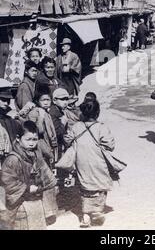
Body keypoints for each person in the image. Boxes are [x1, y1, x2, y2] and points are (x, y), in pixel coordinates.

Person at [0, 121, 57, 230]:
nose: (31, 143)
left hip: (36, 202)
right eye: (28, 139)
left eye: (34, 140)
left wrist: (50, 183)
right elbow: (7, 181)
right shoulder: (13, 159)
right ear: (18, 138)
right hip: (20, 205)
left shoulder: (36, 155)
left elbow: (45, 172)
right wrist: (26, 188)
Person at [70, 99, 115, 228]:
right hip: (98, 162)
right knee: (99, 186)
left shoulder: (77, 126)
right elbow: (110, 145)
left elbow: (69, 139)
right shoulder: (101, 127)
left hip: (81, 162)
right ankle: (97, 211)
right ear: (98, 113)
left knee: (85, 187)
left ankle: (85, 215)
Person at [27, 90, 58, 168]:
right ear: (37, 101)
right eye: (43, 100)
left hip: (47, 145)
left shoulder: (46, 112)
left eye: (48, 100)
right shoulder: (34, 113)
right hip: (39, 146)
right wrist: (41, 117)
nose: (46, 102)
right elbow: (37, 131)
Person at [0, 80, 23, 147]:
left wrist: (18, 119)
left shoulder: (9, 111)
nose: (6, 103)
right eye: (3, 100)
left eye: (8, 100)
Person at [49, 88, 70, 159]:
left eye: (67, 99)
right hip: (54, 145)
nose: (65, 102)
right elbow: (56, 132)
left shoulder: (59, 110)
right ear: (54, 100)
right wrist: (63, 123)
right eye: (62, 99)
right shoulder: (53, 112)